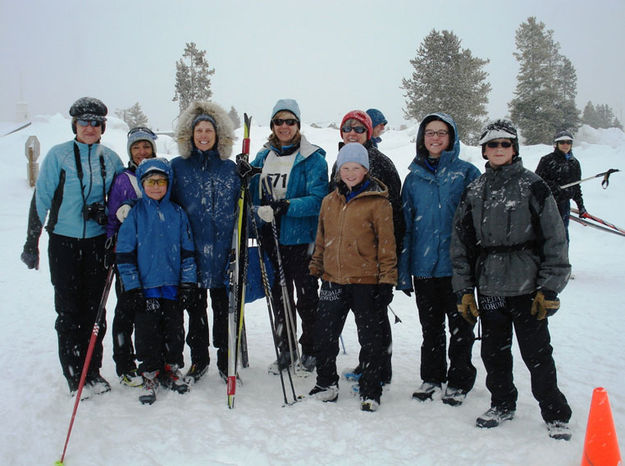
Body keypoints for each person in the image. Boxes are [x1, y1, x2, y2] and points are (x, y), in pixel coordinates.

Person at [450, 119, 572, 441]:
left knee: (537, 352)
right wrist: (464, 290)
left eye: (505, 144)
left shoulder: (533, 186)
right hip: (489, 285)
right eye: (493, 144)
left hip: (527, 285)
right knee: (494, 351)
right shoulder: (474, 191)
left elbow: (555, 240)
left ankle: (555, 412)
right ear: (485, 150)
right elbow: (460, 245)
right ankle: (502, 403)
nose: (499, 149)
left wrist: (550, 287)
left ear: (514, 148)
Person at [20, 97, 124, 396]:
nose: (89, 128)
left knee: (96, 312)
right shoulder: (59, 156)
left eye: (95, 123)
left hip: (97, 244)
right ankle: (73, 372)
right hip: (64, 243)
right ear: (75, 126)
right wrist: (32, 241)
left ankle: (92, 371)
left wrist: (107, 215)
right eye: (84, 123)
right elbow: (41, 198)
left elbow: (121, 199)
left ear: (103, 127)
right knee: (68, 310)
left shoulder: (111, 159)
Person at [397, 112, 481, 405]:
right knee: (431, 329)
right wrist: (404, 270)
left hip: (457, 269)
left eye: (441, 132)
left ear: (451, 137)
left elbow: (479, 225)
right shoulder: (413, 178)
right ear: (422, 138)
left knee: (461, 329)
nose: (435, 138)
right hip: (424, 268)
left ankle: (459, 381)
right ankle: (432, 377)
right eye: (430, 132)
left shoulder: (467, 174)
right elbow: (406, 226)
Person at [308, 143, 397, 412]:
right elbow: (321, 240)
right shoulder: (329, 201)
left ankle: (371, 389)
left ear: (365, 170)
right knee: (324, 334)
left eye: (355, 168)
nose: (349, 173)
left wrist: (387, 281)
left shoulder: (378, 203)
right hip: (333, 279)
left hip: (366, 281)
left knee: (370, 339)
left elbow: (387, 245)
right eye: (344, 168)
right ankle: (326, 383)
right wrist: (316, 267)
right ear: (338, 171)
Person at [248, 98, 328, 373]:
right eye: (279, 121)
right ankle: (287, 349)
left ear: (298, 125)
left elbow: (319, 199)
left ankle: (311, 349)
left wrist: (288, 207)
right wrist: (247, 184)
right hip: (271, 237)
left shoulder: (311, 158)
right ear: (272, 125)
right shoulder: (263, 156)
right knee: (280, 298)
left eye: (290, 121)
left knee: (307, 298)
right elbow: (251, 194)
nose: (284, 126)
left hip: (301, 238)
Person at [330, 109, 404, 387]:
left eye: (359, 129)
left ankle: (380, 369)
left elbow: (395, 214)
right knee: (366, 318)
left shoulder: (381, 163)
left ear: (369, 133)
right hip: (346, 255)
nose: (352, 132)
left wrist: (390, 261)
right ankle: (369, 364)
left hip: (372, 259)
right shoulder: (340, 161)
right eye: (347, 127)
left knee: (374, 317)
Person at [116, 158, 197, 403]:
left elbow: (187, 251)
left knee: (173, 328)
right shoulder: (135, 213)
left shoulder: (177, 213)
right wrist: (132, 287)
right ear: (142, 184)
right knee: (147, 331)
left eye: (161, 181)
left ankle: (171, 367)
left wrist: (187, 283)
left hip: (171, 285)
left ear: (168, 183)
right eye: (150, 182)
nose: (156, 186)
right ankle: (149, 371)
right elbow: (125, 253)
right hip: (146, 287)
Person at [171, 101, 240, 383]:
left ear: (218, 134)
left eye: (208, 130)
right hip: (191, 255)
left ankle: (226, 361)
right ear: (189, 134)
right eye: (198, 130)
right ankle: (199, 360)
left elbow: (244, 207)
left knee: (225, 312)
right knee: (195, 311)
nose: (203, 135)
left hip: (224, 253)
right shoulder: (177, 167)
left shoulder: (230, 168)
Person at [105, 127, 158, 387]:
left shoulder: (161, 173)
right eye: (136, 147)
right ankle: (124, 363)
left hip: (156, 254)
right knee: (126, 308)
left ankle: (154, 359)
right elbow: (113, 213)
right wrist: (111, 243)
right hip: (129, 253)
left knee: (152, 310)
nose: (141, 152)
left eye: (146, 146)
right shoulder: (123, 179)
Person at [536, 130, 588, 241]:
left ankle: (563, 257)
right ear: (556, 144)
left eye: (568, 142)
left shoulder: (574, 163)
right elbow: (537, 182)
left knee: (562, 234)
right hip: (547, 203)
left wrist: (581, 206)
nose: (565, 145)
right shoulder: (547, 160)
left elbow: (576, 187)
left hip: (564, 204)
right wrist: (551, 186)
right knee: (547, 234)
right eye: (562, 142)